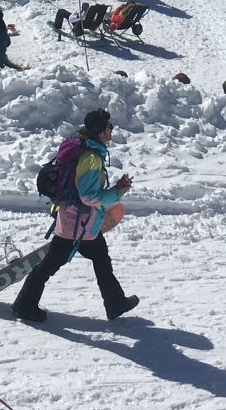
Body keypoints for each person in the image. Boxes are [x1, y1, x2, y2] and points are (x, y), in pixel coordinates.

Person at [12, 108, 138, 325]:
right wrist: (117, 192)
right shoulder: (90, 157)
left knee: (100, 258)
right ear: (99, 131)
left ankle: (115, 303)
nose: (112, 130)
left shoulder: (86, 149)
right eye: (109, 127)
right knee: (50, 265)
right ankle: (24, 305)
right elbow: (89, 196)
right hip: (78, 224)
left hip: (79, 222)